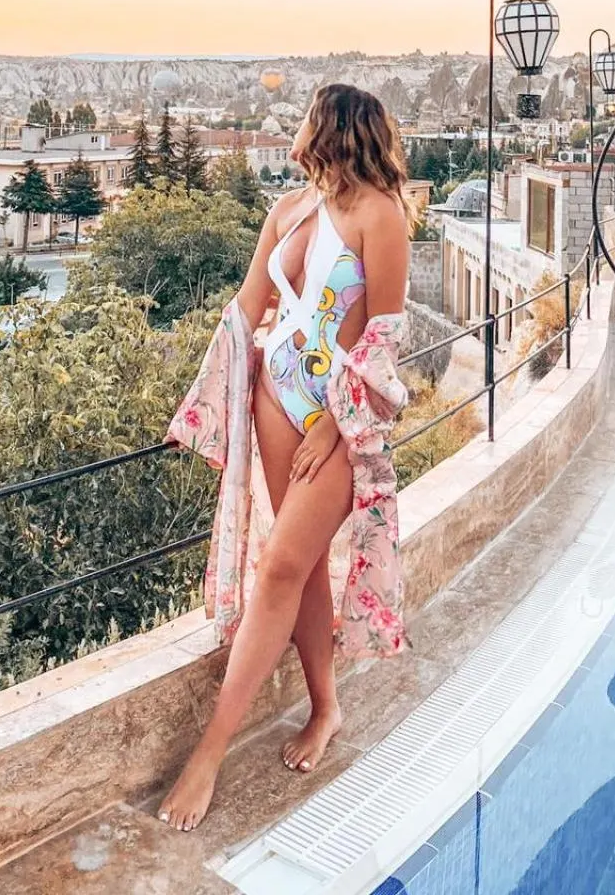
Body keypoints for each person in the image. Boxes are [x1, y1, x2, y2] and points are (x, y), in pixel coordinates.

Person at [158, 84, 412, 832]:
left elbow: (382, 339)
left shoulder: (381, 216)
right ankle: (325, 707)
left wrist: (333, 427)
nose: (298, 128)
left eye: (307, 117)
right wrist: (200, 407)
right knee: (297, 570)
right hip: (274, 398)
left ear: (333, 127)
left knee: (277, 569)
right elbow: (246, 311)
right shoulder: (289, 210)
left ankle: (209, 752)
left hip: (333, 421)